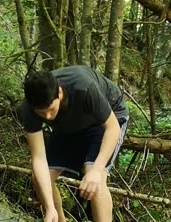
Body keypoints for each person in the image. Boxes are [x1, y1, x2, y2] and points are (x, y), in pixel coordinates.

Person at [18, 65, 129, 222]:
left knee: (94, 177)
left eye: (50, 109)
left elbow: (112, 128)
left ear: (60, 93)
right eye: (42, 114)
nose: (48, 117)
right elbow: (38, 158)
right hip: (69, 125)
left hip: (107, 118)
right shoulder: (28, 109)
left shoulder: (83, 87)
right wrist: (49, 208)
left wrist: (97, 170)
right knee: (41, 179)